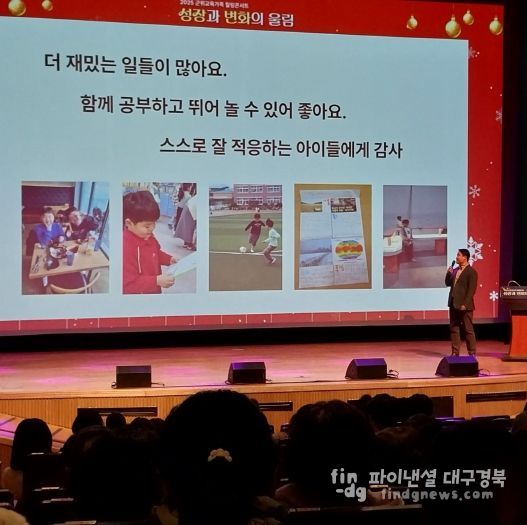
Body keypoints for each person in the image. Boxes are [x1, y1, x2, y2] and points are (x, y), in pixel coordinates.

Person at [122, 190, 177, 294]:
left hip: (154, 291)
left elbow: (155, 253)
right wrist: (156, 281)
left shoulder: (147, 235)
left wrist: (169, 259)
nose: (152, 229)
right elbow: (128, 285)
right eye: (147, 226)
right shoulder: (125, 247)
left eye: (154, 223)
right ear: (129, 223)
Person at [445, 248, 478, 355]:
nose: (456, 257)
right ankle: (455, 352)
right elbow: (447, 283)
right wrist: (448, 274)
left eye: (458, 255)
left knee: (468, 330)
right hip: (453, 303)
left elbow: (471, 290)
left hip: (465, 305)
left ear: (465, 257)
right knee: (454, 328)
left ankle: (472, 353)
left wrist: (465, 304)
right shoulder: (455, 270)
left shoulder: (471, 272)